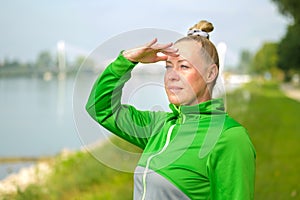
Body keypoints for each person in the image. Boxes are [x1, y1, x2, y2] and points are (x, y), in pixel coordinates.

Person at [86, 20, 256, 200]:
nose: (172, 76)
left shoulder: (229, 137)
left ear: (211, 74)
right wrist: (127, 60)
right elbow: (100, 109)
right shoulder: (160, 126)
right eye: (168, 67)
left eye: (183, 66)